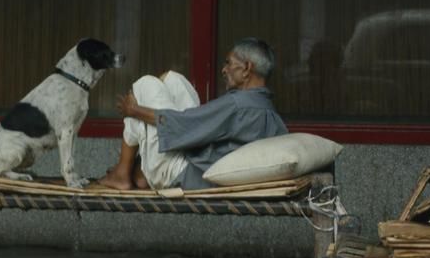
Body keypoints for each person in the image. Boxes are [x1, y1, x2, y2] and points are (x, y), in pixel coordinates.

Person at [98, 37, 288, 191]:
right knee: (173, 79)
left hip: (185, 174)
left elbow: (185, 125)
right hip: (202, 166)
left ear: (246, 68)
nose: (223, 69)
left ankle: (122, 173)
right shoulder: (269, 112)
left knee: (147, 84)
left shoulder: (237, 104)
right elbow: (195, 126)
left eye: (229, 63)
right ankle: (140, 170)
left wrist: (134, 111)